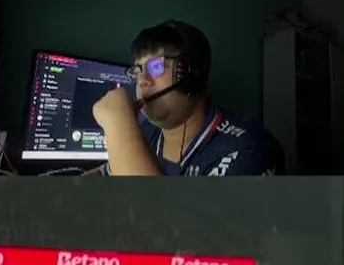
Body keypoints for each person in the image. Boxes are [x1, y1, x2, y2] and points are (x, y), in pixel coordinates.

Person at [88, 20, 284, 176]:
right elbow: (105, 173)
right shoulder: (146, 132)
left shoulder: (250, 149)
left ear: (191, 76)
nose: (142, 81)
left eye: (156, 67)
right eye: (138, 71)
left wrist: (118, 123)